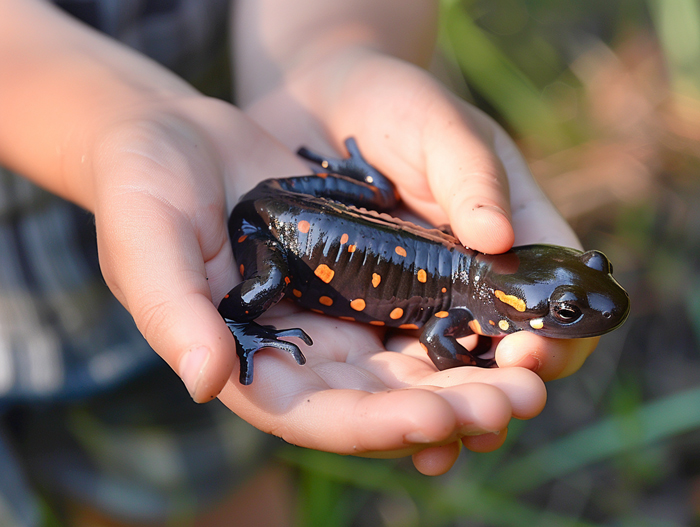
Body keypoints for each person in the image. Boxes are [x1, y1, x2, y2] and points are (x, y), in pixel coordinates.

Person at [0, 0, 600, 524]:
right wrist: (476, 355)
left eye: (583, 278)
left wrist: (334, 59)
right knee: (266, 285)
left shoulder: (466, 293)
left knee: (190, 484)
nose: (583, 307)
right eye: (569, 309)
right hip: (266, 223)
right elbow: (444, 340)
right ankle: (237, 318)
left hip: (285, 203)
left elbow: (444, 337)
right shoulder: (465, 308)